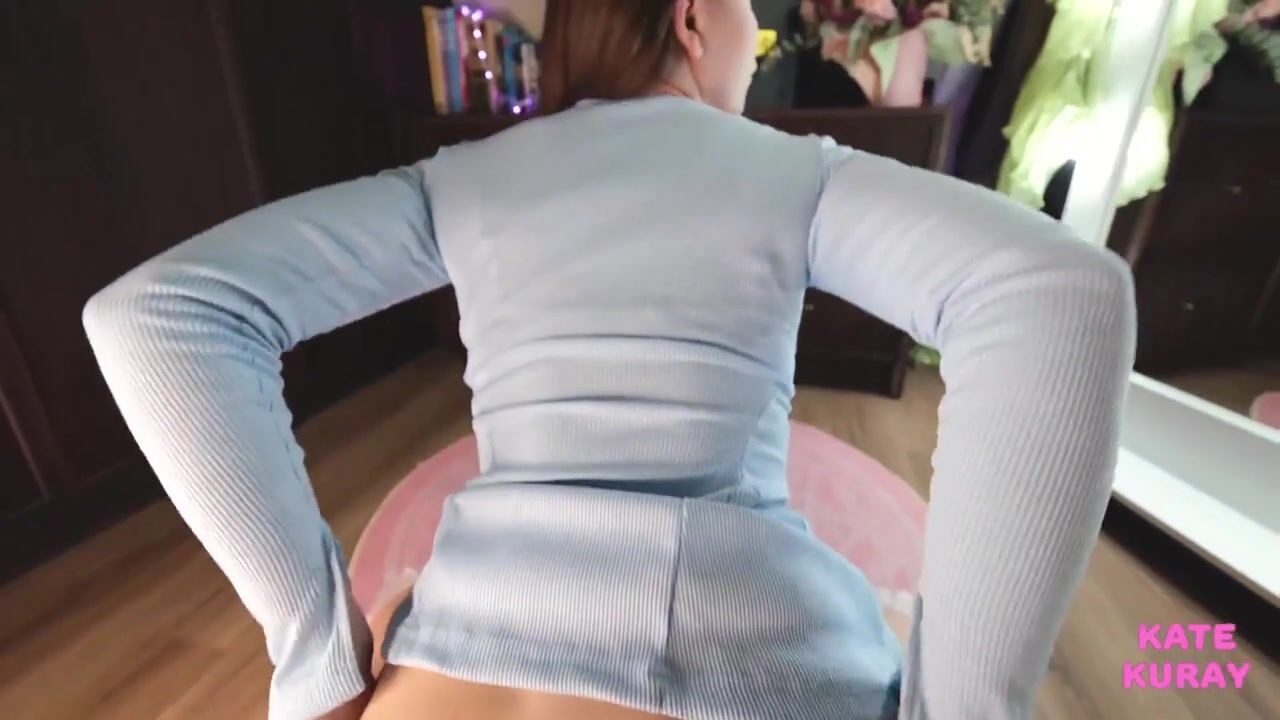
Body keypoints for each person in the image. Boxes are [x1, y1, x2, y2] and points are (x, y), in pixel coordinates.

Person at [81, 0, 1137, 718]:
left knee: (395, 602)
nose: (756, 39)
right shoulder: (792, 172)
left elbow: (158, 319)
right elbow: (1053, 293)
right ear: (691, 17)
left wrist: (316, 655)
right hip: (758, 658)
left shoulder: (461, 179)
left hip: (450, 673)